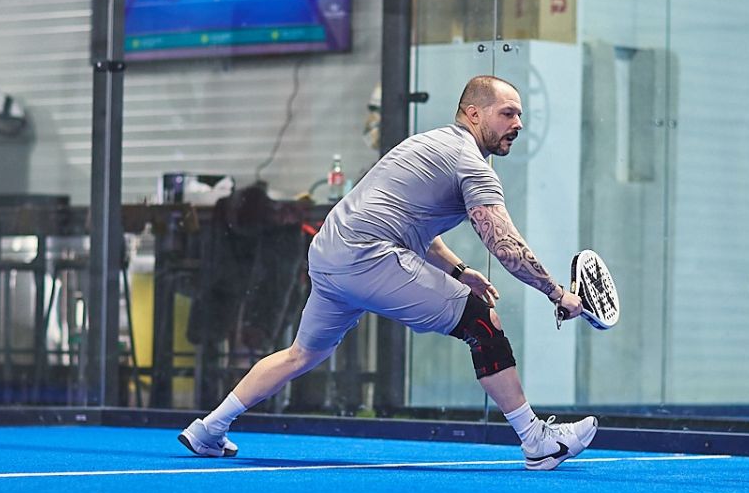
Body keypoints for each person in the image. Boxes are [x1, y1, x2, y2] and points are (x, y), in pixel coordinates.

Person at [180, 75, 597, 470]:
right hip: (366, 256)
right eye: (507, 113)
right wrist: (557, 292)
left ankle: (209, 428)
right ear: (474, 113)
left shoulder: (429, 144)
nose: (518, 124)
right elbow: (504, 244)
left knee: (301, 354)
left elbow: (410, 224)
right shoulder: (471, 164)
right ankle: (536, 441)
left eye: (519, 115)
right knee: (481, 321)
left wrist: (459, 270)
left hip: (328, 255)